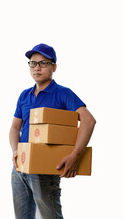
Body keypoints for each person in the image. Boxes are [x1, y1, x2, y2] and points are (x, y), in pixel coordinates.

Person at [9, 43, 96, 219]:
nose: (37, 68)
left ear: (54, 66)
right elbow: (14, 127)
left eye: (43, 63)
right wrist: (16, 150)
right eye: (33, 64)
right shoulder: (24, 95)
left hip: (45, 169)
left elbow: (89, 120)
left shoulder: (63, 94)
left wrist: (75, 155)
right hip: (20, 167)